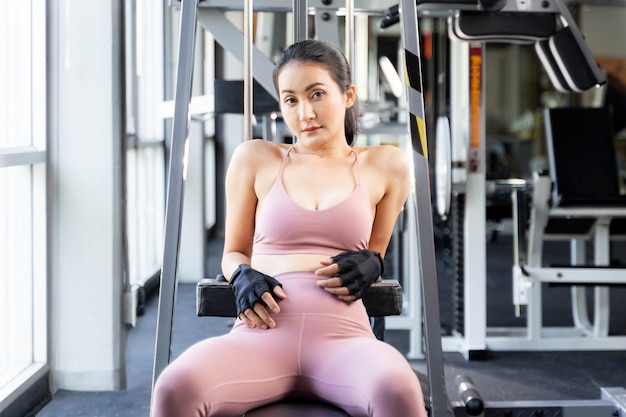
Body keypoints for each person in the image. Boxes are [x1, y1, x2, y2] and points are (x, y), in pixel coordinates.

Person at [151, 39, 427, 417]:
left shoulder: (387, 165)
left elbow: (374, 252)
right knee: (173, 388)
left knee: (398, 390)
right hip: (260, 336)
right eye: (291, 100)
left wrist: (374, 264)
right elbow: (233, 252)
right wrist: (241, 274)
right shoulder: (256, 158)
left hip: (344, 338)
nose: (305, 113)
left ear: (348, 95)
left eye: (317, 94)